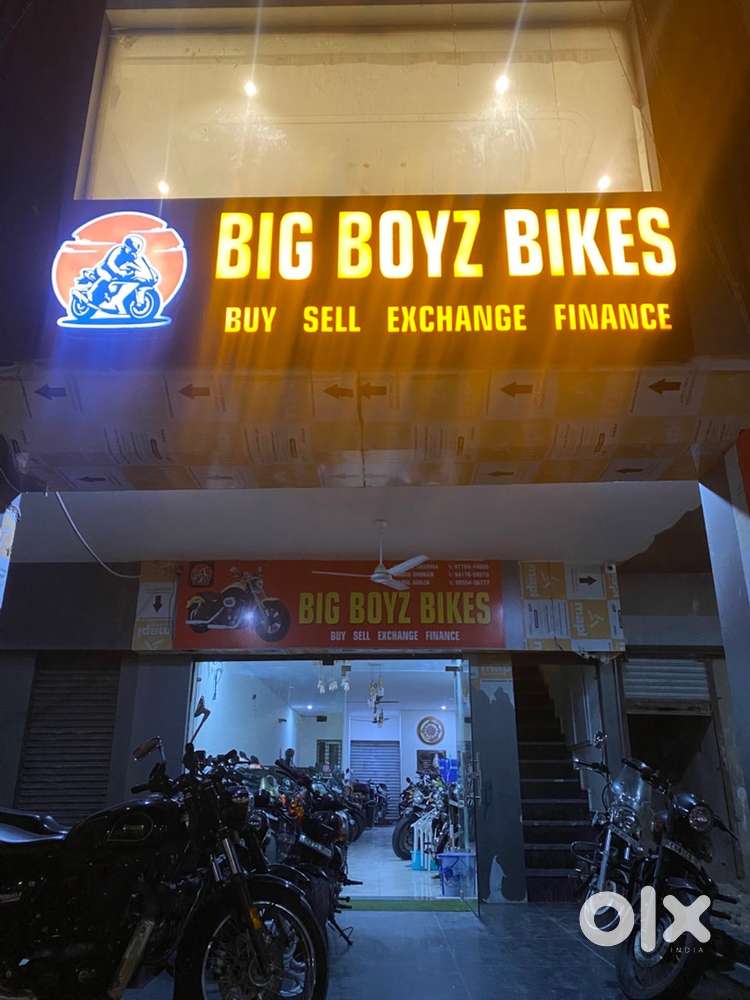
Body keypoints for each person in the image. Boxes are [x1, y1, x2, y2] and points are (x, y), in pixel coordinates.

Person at [88, 233, 148, 306]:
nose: (131, 252)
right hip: (104, 269)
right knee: (107, 277)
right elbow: (110, 263)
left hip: (116, 274)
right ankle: (90, 293)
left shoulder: (131, 255)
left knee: (122, 283)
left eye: (134, 251)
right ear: (126, 246)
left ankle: (108, 297)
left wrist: (140, 269)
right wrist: (119, 272)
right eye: (131, 249)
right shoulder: (118, 250)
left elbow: (134, 264)